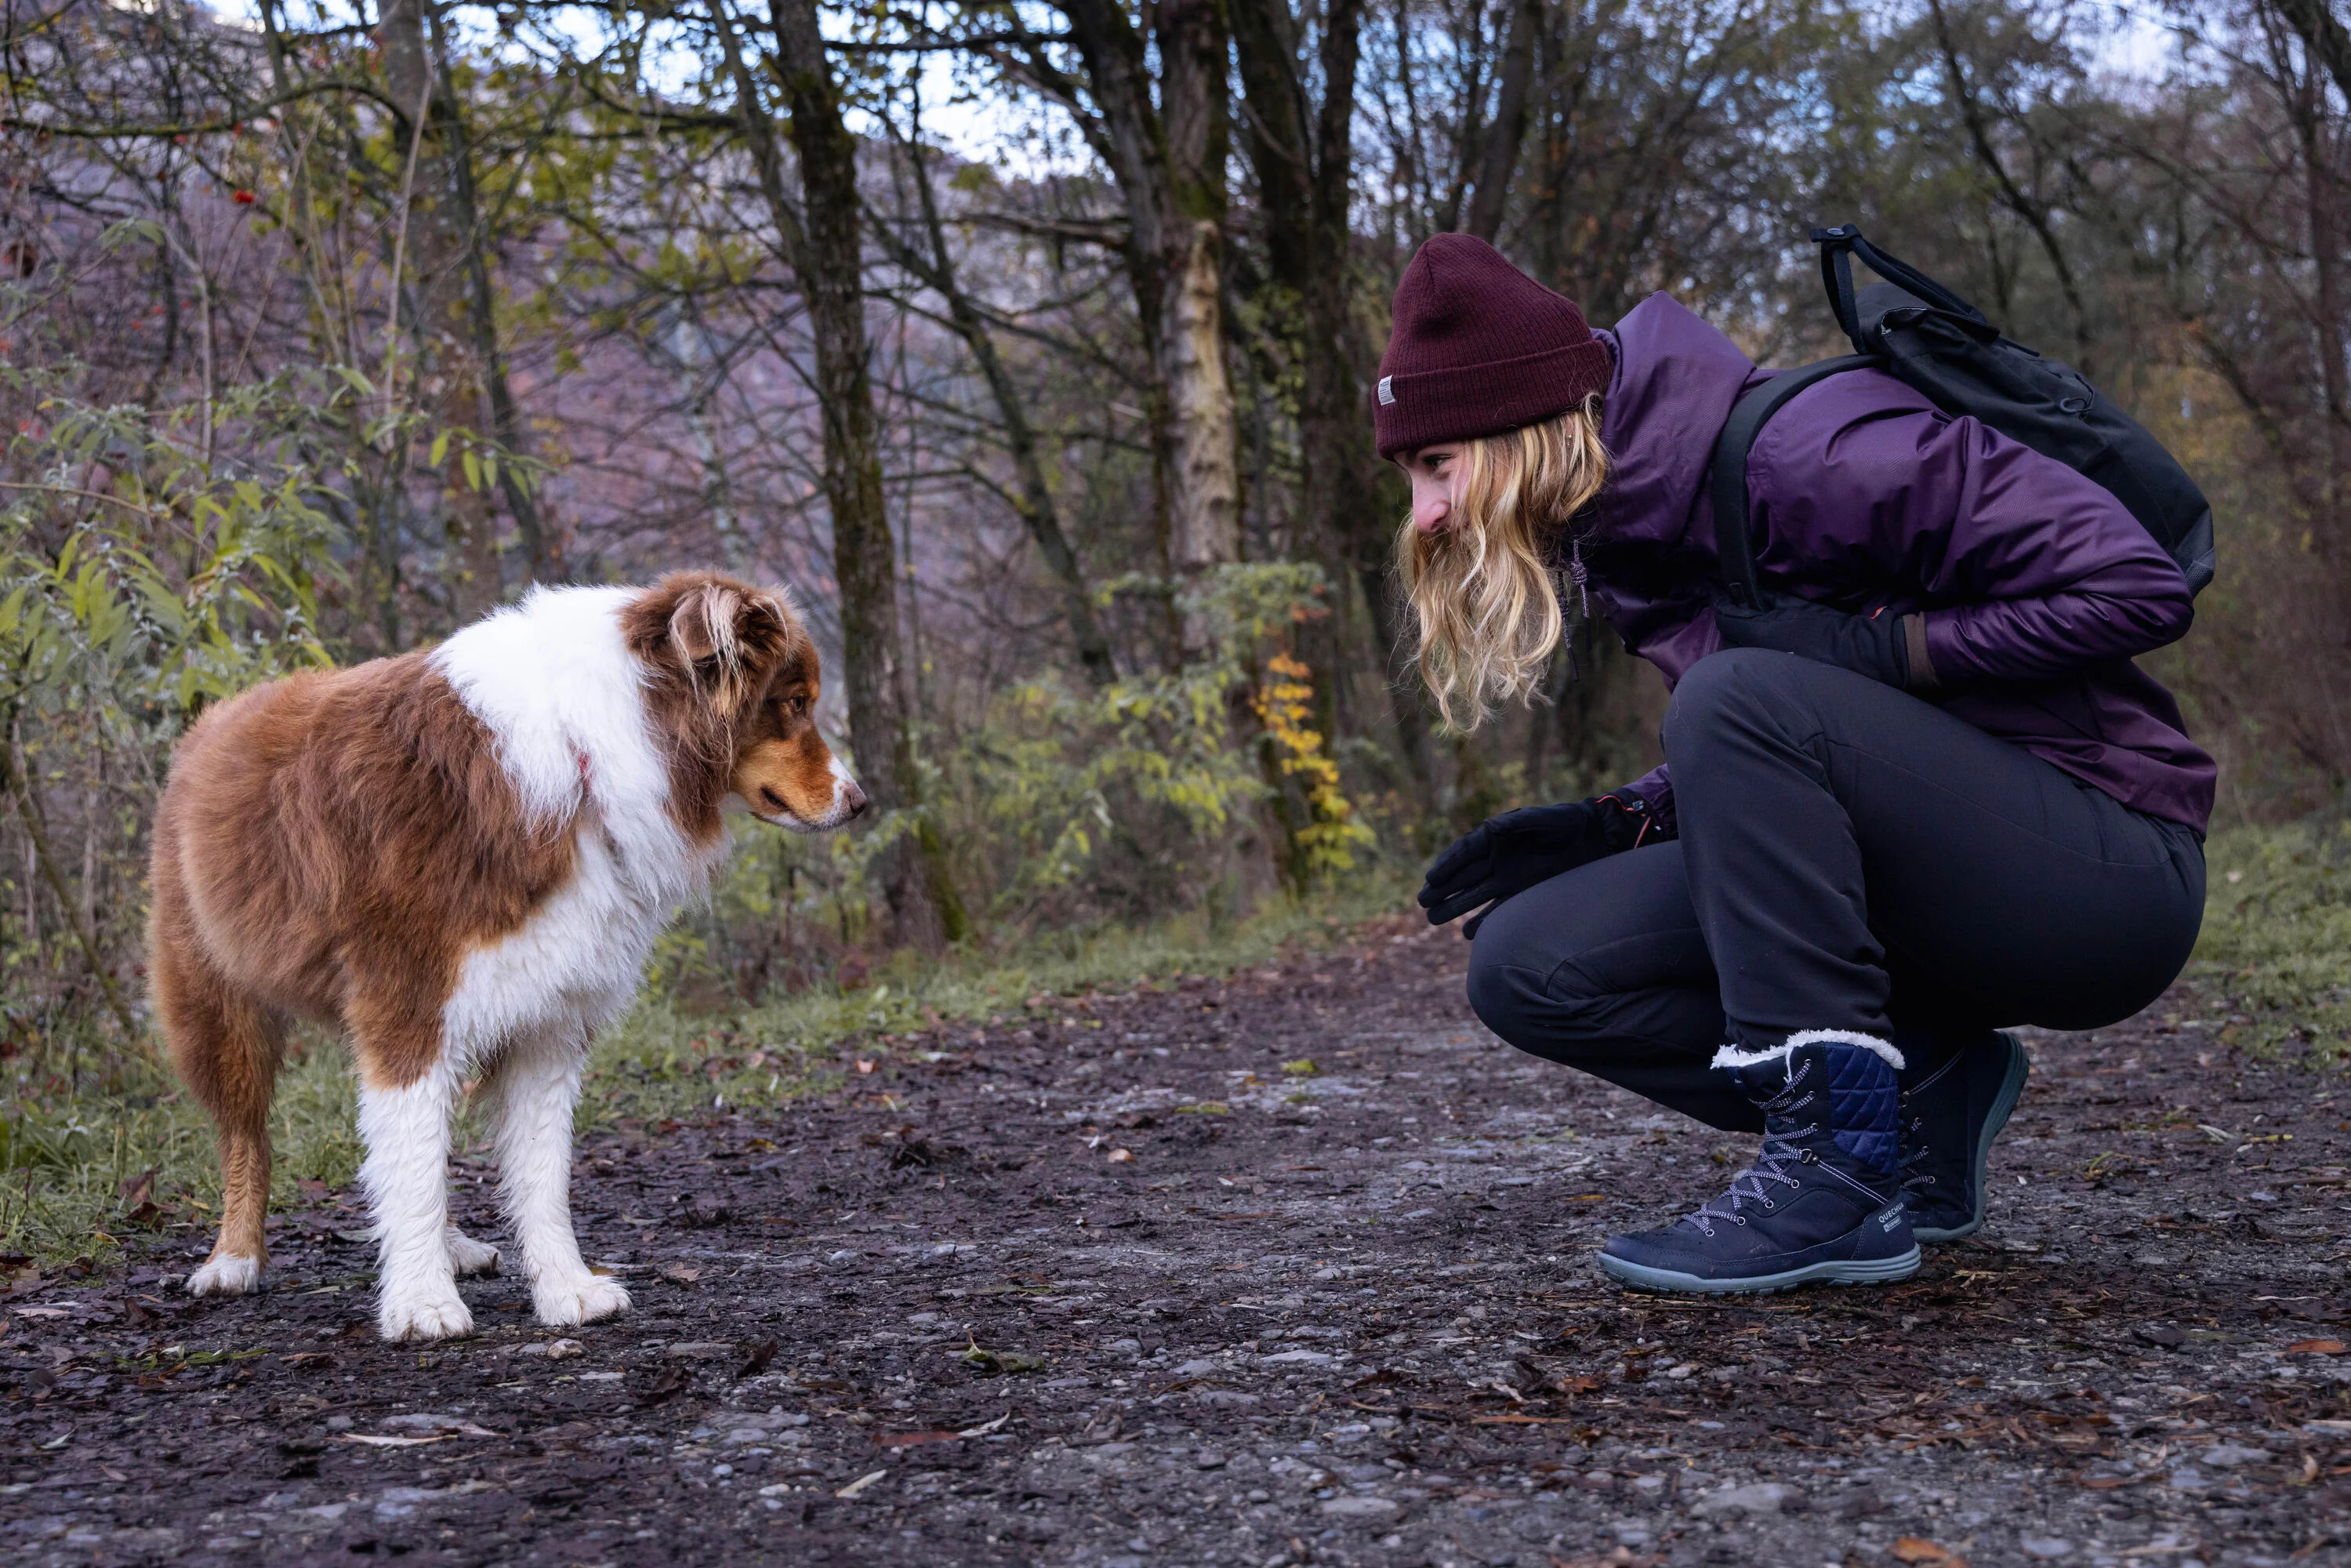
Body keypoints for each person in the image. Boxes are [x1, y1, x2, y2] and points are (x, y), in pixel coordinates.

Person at [1378, 234, 2208, 1294]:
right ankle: (1929, 1088)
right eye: (1411, 474)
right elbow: (1804, 752)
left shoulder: (1818, 450)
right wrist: (1622, 820)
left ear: (1525, 427)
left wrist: (1891, 651)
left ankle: (1837, 1170)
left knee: (1736, 697)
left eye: (1435, 465)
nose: (1426, 513)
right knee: (1529, 967)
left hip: (2105, 869)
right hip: (1942, 877)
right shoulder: (1641, 527)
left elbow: (2138, 586)